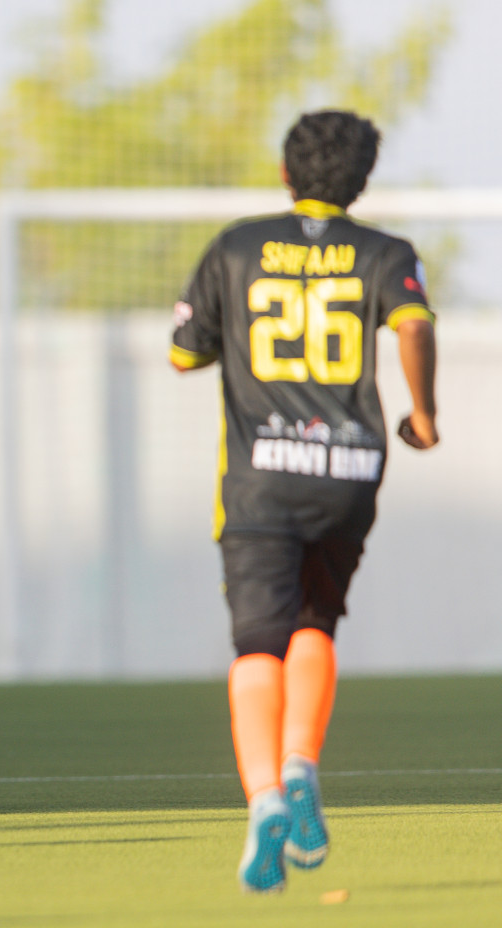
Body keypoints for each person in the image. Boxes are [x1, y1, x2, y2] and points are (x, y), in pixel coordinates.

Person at [170, 111, 438, 892]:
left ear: (286, 173)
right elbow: (415, 328)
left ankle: (263, 803)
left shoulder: (238, 245)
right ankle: (301, 766)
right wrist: (424, 415)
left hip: (262, 478)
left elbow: (184, 354)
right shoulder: (386, 253)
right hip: (349, 472)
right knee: (316, 622)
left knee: (258, 643)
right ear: (361, 180)